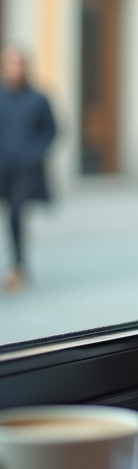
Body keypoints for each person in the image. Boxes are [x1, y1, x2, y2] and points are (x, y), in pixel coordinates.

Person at [0, 45, 57, 295]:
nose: (12, 68)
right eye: (8, 63)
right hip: (1, 168)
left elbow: (53, 130)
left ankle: (18, 266)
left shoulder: (38, 98)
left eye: (16, 63)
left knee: (15, 215)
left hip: (24, 171)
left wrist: (35, 155)